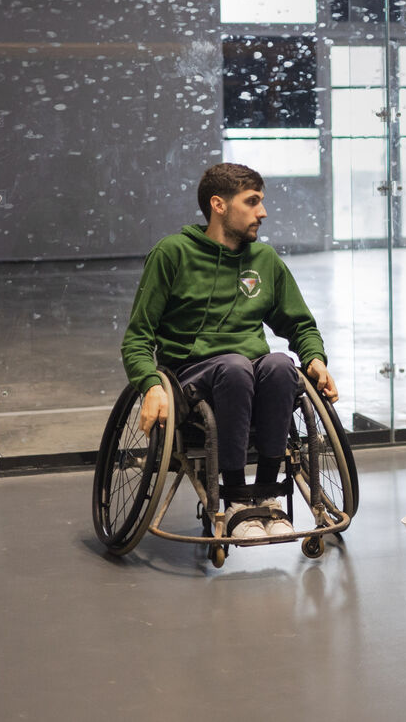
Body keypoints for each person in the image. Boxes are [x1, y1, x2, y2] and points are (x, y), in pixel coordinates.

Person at [121, 162, 338, 539]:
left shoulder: (264, 260)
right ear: (218, 205)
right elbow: (138, 337)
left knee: (280, 365)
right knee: (235, 366)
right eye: (252, 202)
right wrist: (150, 385)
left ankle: (267, 496)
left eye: (261, 202)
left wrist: (315, 359)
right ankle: (236, 499)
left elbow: (299, 324)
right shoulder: (173, 254)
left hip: (249, 373)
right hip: (192, 377)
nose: (262, 212)